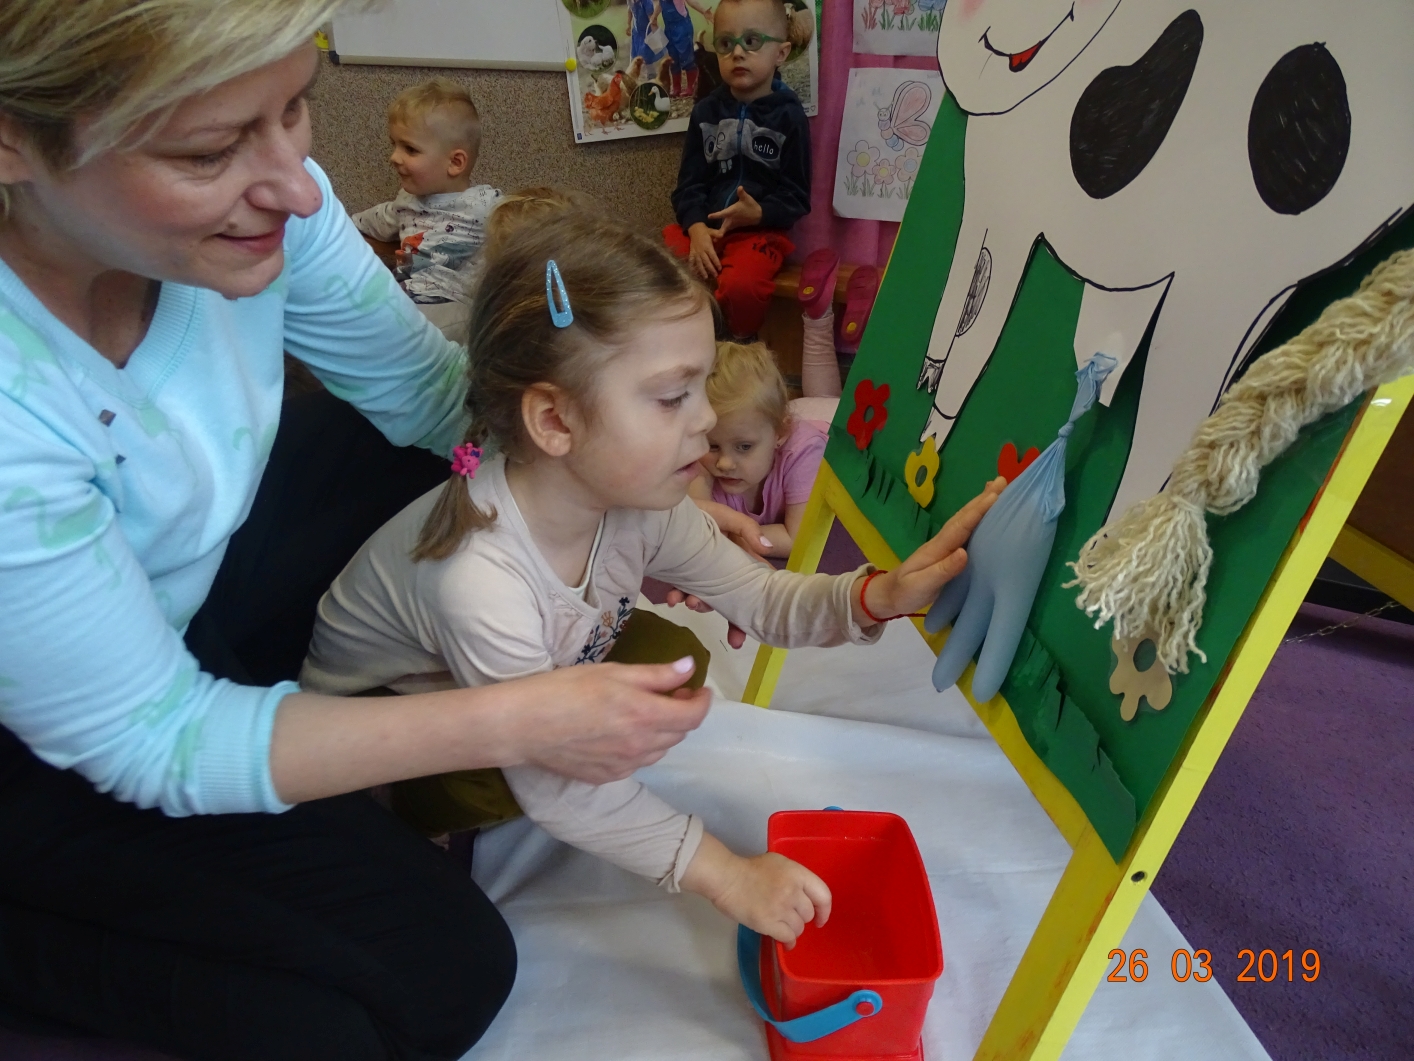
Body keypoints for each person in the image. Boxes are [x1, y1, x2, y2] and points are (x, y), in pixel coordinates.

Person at [0, 4, 709, 1058]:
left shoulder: (271, 205)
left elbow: (437, 400)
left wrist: (644, 475)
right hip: (42, 734)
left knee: (466, 457)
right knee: (423, 982)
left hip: (171, 596)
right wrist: (517, 718)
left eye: (295, 109)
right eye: (209, 151)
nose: (296, 186)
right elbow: (158, 738)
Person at [299, 212, 1006, 947]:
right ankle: (417, 820)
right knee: (569, 754)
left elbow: (762, 596)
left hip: (492, 679)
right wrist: (729, 874)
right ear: (555, 421)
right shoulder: (481, 585)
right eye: (673, 397)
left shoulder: (640, 502)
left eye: (701, 387)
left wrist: (877, 595)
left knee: (671, 668)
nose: (704, 420)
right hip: (374, 745)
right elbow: (562, 791)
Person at [664, 0, 812, 338]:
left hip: (759, 233)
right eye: (726, 43)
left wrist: (758, 213)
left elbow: (797, 197)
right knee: (661, 268)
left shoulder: (790, 117)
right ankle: (691, 344)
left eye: (752, 41)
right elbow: (688, 187)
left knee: (742, 287)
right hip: (705, 229)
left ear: (781, 52)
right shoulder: (705, 113)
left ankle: (737, 346)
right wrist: (696, 228)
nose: (738, 53)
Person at [351, 77, 501, 341]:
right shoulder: (405, 202)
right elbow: (369, 221)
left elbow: (529, 227)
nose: (394, 157)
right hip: (406, 298)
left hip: (453, 304)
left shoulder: (485, 204)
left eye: (410, 149)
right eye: (394, 145)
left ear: (455, 163)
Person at [689, 339, 831, 558]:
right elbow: (695, 534)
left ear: (780, 434)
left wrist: (733, 535)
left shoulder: (805, 451)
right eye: (712, 445)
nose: (724, 463)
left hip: (830, 427)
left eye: (744, 446)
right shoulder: (697, 454)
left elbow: (800, 541)